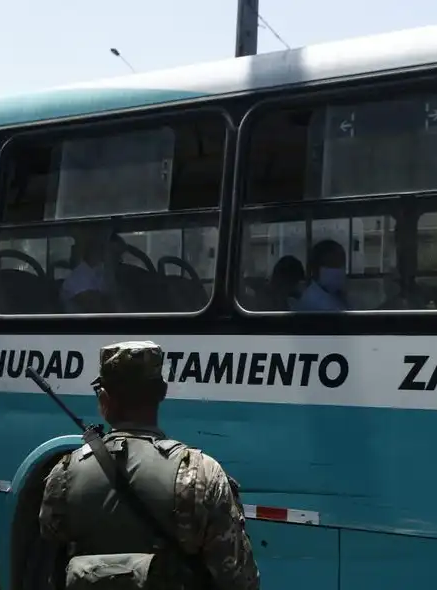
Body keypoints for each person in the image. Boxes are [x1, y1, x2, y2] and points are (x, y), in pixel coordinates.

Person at [39, 341, 260, 590]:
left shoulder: (64, 473)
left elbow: (52, 559)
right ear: (162, 393)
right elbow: (239, 578)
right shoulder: (199, 472)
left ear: (104, 399)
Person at [60, 229, 125, 313]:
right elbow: (98, 310)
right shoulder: (79, 278)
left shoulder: (101, 273)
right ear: (98, 251)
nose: (120, 260)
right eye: (115, 254)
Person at [293, 240, 350, 312]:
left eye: (341, 264)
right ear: (316, 269)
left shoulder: (337, 296)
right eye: (332, 265)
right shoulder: (313, 300)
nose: (338, 270)